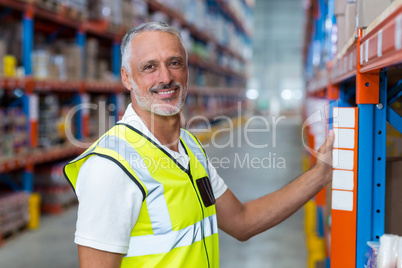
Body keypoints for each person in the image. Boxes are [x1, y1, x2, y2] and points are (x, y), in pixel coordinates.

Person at [64, 22, 334, 268]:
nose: (166, 78)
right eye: (149, 67)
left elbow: (242, 221)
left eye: (175, 63)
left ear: (187, 71)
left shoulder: (189, 146)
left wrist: (319, 175)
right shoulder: (111, 166)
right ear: (126, 78)